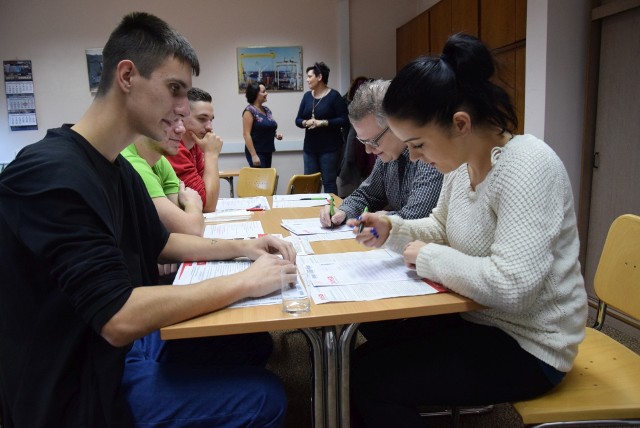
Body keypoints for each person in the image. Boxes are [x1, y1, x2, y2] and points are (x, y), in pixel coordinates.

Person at [0, 12, 294, 427]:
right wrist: (246, 281)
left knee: (248, 343)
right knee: (264, 398)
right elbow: (118, 318)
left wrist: (246, 248)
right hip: (76, 387)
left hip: (116, 354)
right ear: (126, 76)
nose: (182, 109)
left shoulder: (114, 166)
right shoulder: (51, 174)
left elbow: (161, 242)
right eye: (175, 89)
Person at [348, 33, 588, 427]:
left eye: (419, 143)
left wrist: (426, 257)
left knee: (373, 381)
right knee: (361, 355)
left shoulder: (528, 166)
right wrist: (393, 228)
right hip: (480, 318)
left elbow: (511, 284)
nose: (413, 155)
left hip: (532, 344)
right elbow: (441, 226)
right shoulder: (461, 168)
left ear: (460, 123)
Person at [320, 79, 443, 228]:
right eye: (362, 141)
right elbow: (367, 195)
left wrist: (386, 218)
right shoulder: (388, 155)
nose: (368, 150)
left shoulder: (429, 155)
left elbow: (417, 217)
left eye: (373, 141)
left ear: (396, 125)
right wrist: (343, 211)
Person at [122, 118, 205, 237]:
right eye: (171, 119)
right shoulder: (132, 164)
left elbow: (180, 224)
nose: (182, 129)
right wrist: (192, 203)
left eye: (181, 120)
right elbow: (191, 230)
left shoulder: (160, 160)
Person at [295, 61, 349, 195]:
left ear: (319, 77)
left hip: (330, 148)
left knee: (329, 182)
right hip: (310, 148)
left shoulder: (334, 96)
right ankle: (310, 212)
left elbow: (345, 119)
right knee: (309, 182)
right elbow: (298, 119)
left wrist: (323, 123)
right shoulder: (307, 96)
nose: (307, 79)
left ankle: (332, 214)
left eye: (309, 76)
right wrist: (305, 123)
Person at [166, 87, 222, 212]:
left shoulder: (195, 145)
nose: (209, 127)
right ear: (182, 116)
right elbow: (207, 205)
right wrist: (211, 154)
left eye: (211, 120)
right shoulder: (174, 148)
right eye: (202, 119)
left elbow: (206, 189)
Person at [242, 81, 283, 167]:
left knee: (267, 179)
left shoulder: (267, 110)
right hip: (257, 152)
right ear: (255, 94)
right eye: (263, 92)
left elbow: (265, 128)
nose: (266, 94)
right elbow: (246, 135)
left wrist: (276, 134)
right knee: (261, 180)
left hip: (268, 151)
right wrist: (254, 155)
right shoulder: (249, 111)